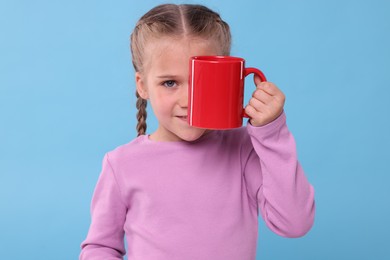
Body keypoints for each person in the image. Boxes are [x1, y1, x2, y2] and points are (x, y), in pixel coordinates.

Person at [80, 3, 315, 260]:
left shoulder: (243, 149)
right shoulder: (121, 164)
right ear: (142, 85)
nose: (188, 99)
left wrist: (272, 133)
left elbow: (295, 223)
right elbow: (100, 248)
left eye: (204, 80)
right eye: (170, 83)